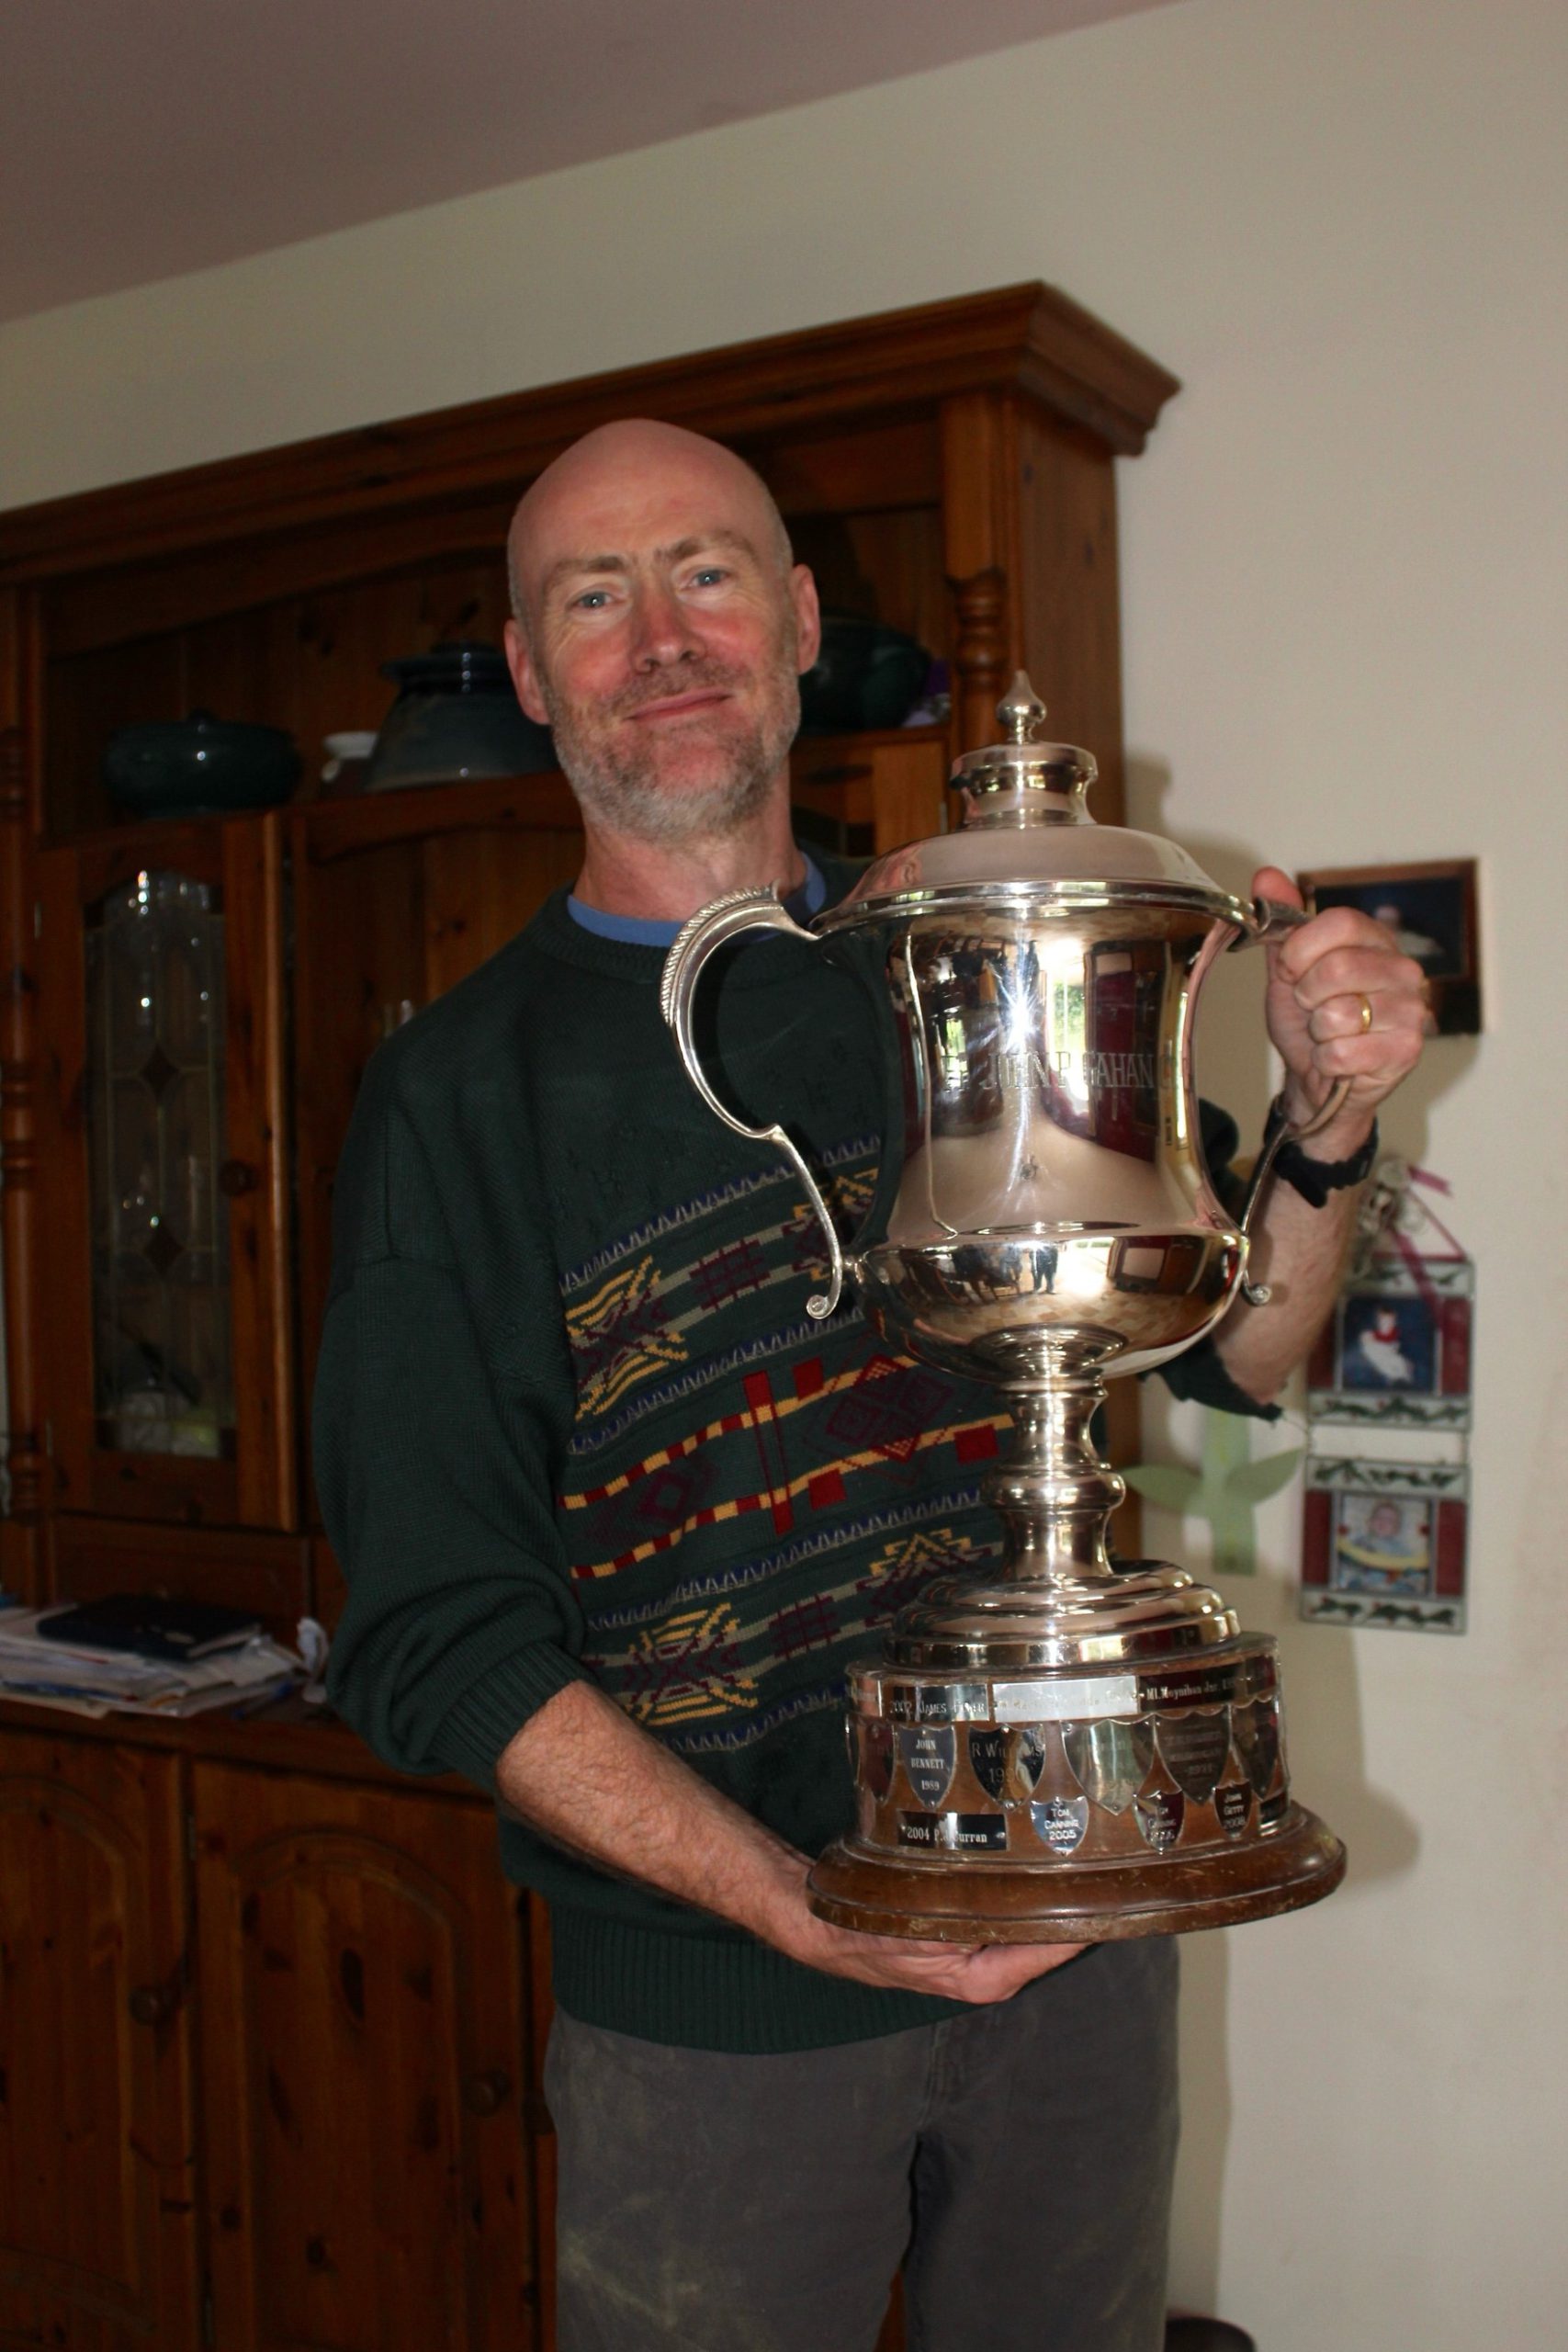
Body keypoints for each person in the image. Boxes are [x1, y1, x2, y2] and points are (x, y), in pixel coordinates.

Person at [315, 420, 1427, 2352]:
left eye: (708, 570)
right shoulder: (455, 1097)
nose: (662, 633)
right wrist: (791, 1900)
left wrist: (1324, 1129)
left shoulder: (955, 966)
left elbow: (1242, 1343)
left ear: (800, 617)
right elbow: (430, 1628)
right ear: (522, 671)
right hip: (712, 2018)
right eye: (594, 594)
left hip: (1085, 1931)